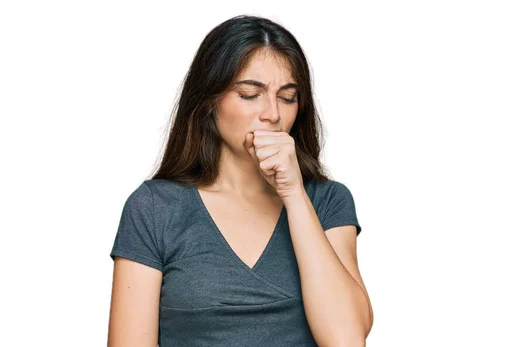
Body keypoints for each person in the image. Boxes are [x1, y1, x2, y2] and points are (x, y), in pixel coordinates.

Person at [107, 14, 373, 346]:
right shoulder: (154, 208)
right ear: (209, 102)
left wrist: (293, 194)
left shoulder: (327, 201)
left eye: (288, 97)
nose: (273, 114)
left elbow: (347, 339)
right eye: (250, 94)